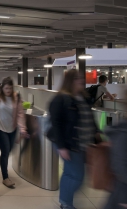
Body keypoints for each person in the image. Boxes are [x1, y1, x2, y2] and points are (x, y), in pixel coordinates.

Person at [47, 69, 101, 209]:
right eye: (77, 78)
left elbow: (88, 118)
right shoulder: (61, 99)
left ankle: (65, 199)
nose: (81, 81)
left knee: (72, 173)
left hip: (83, 142)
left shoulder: (83, 97)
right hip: (69, 143)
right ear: (70, 81)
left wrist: (96, 134)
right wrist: (62, 146)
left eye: (81, 78)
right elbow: (56, 124)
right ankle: (65, 203)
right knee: (77, 175)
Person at [0, 77, 28, 188]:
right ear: (2, 88)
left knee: (8, 150)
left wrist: (22, 128)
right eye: (6, 88)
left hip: (12, 128)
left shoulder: (16, 97)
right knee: (5, 151)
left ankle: (4, 171)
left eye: (10, 88)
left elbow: (20, 114)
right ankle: (5, 177)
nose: (8, 91)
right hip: (0, 128)